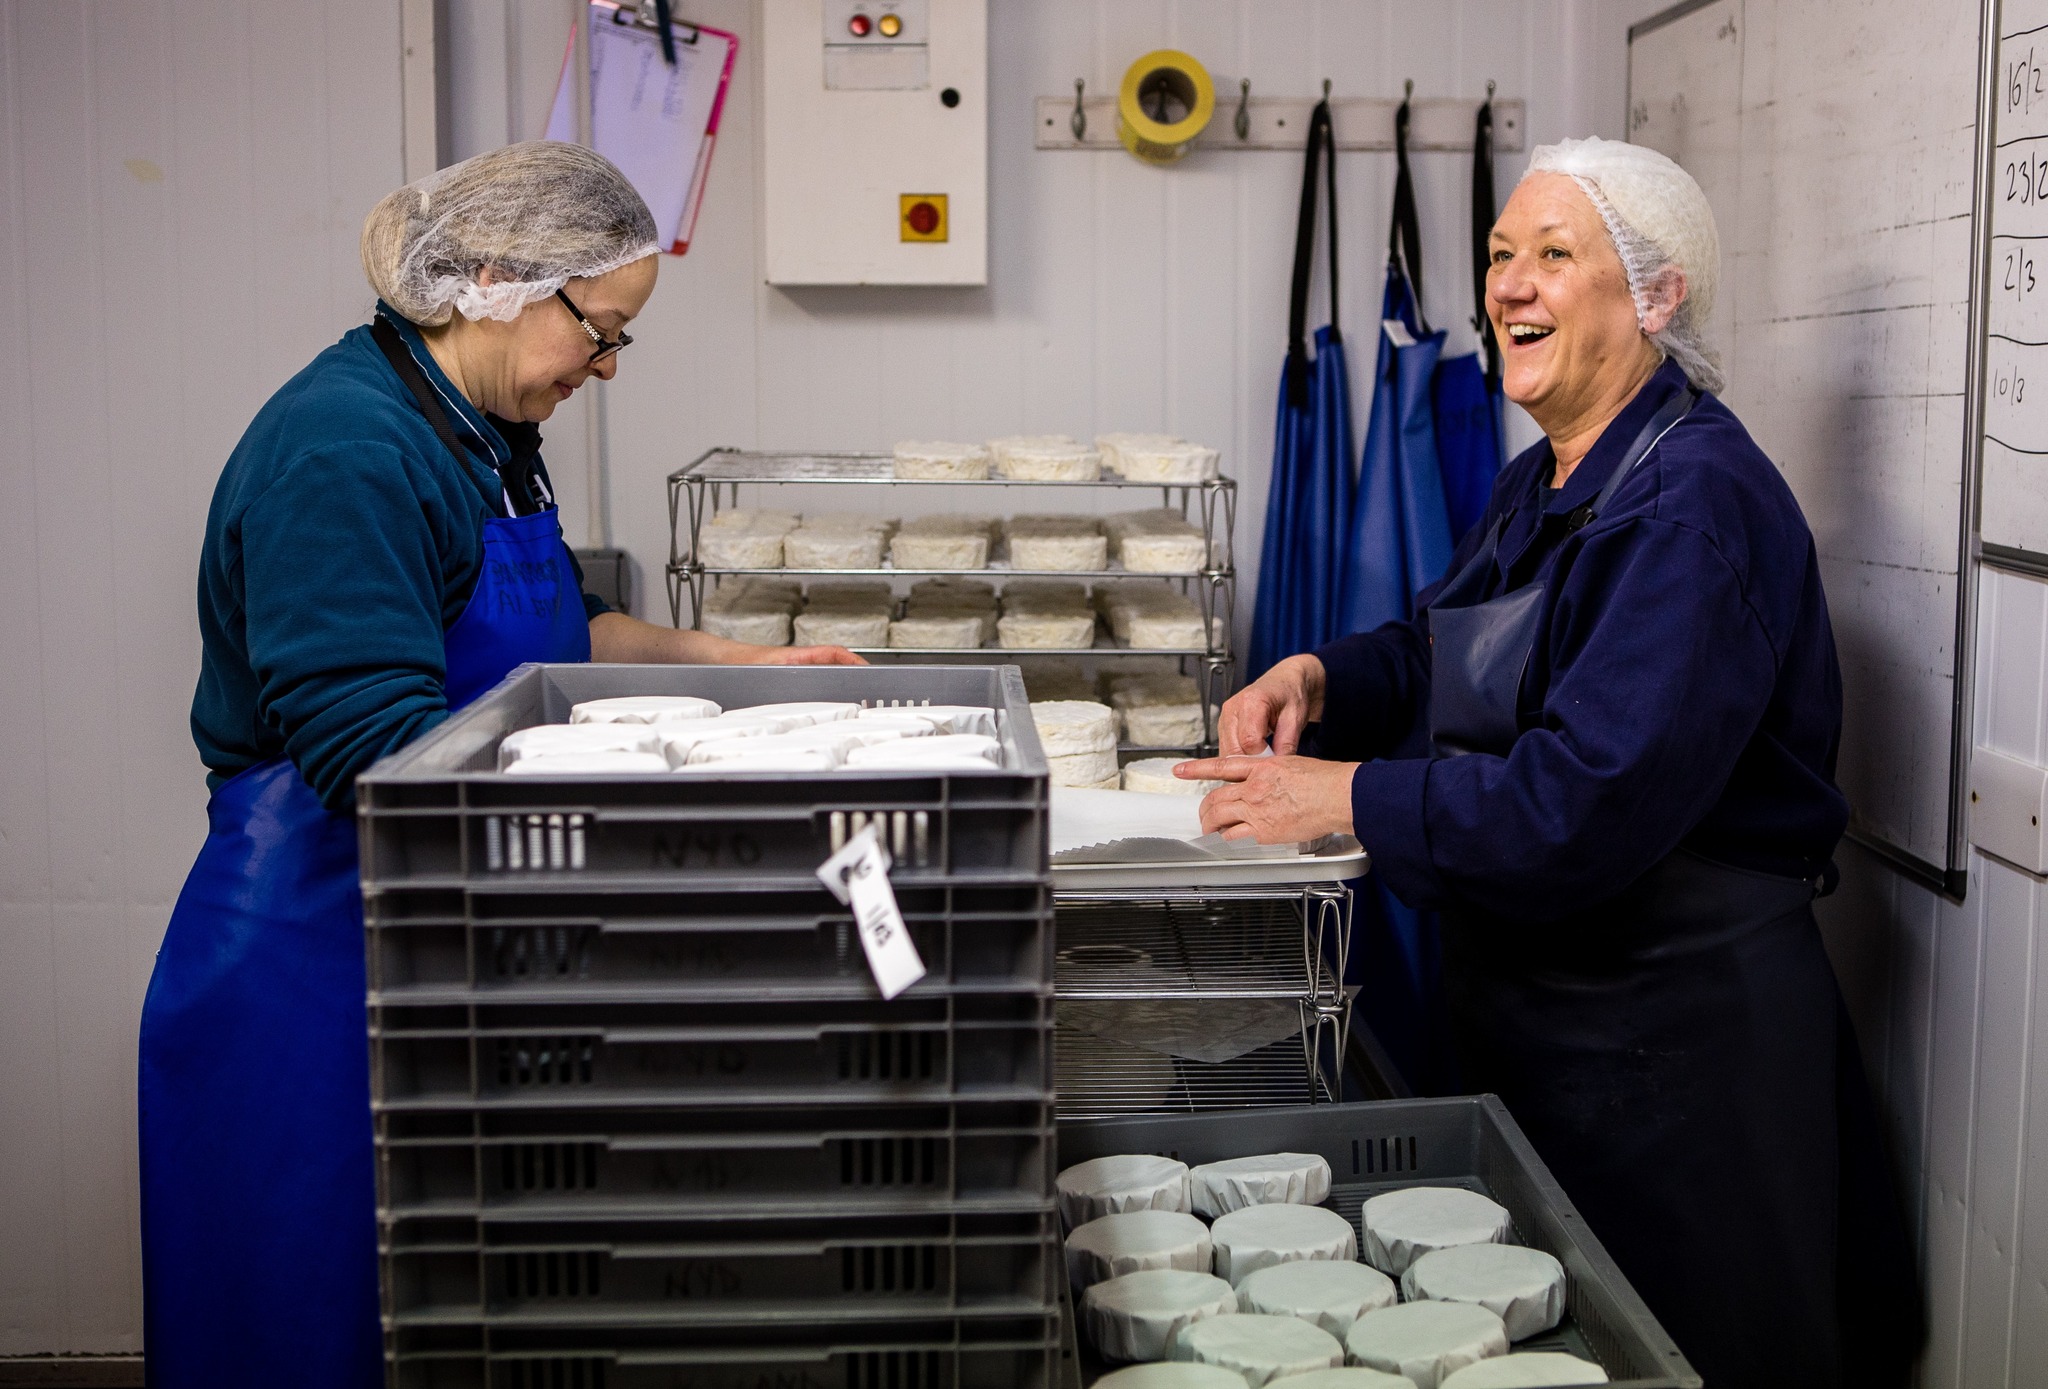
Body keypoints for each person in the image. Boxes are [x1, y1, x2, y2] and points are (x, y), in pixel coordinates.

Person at [1178, 138, 1922, 1388]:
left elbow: (1580, 804)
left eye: (1553, 257)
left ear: (1656, 295)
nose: (1507, 287)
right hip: (1552, 1030)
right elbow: (1438, 651)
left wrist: (1346, 793)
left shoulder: (1689, 509)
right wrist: (1317, 678)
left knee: (1682, 1353)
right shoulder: (1548, 479)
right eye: (1497, 256)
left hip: (1678, 1066)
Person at [137, 142, 860, 1388]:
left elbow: (561, 637)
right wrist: (654, 849)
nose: (606, 366)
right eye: (602, 330)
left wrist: (737, 663)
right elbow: (377, 762)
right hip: (318, 968)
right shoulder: (349, 451)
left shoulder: (478, 430)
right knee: (315, 1324)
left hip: (445, 940)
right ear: (494, 279)